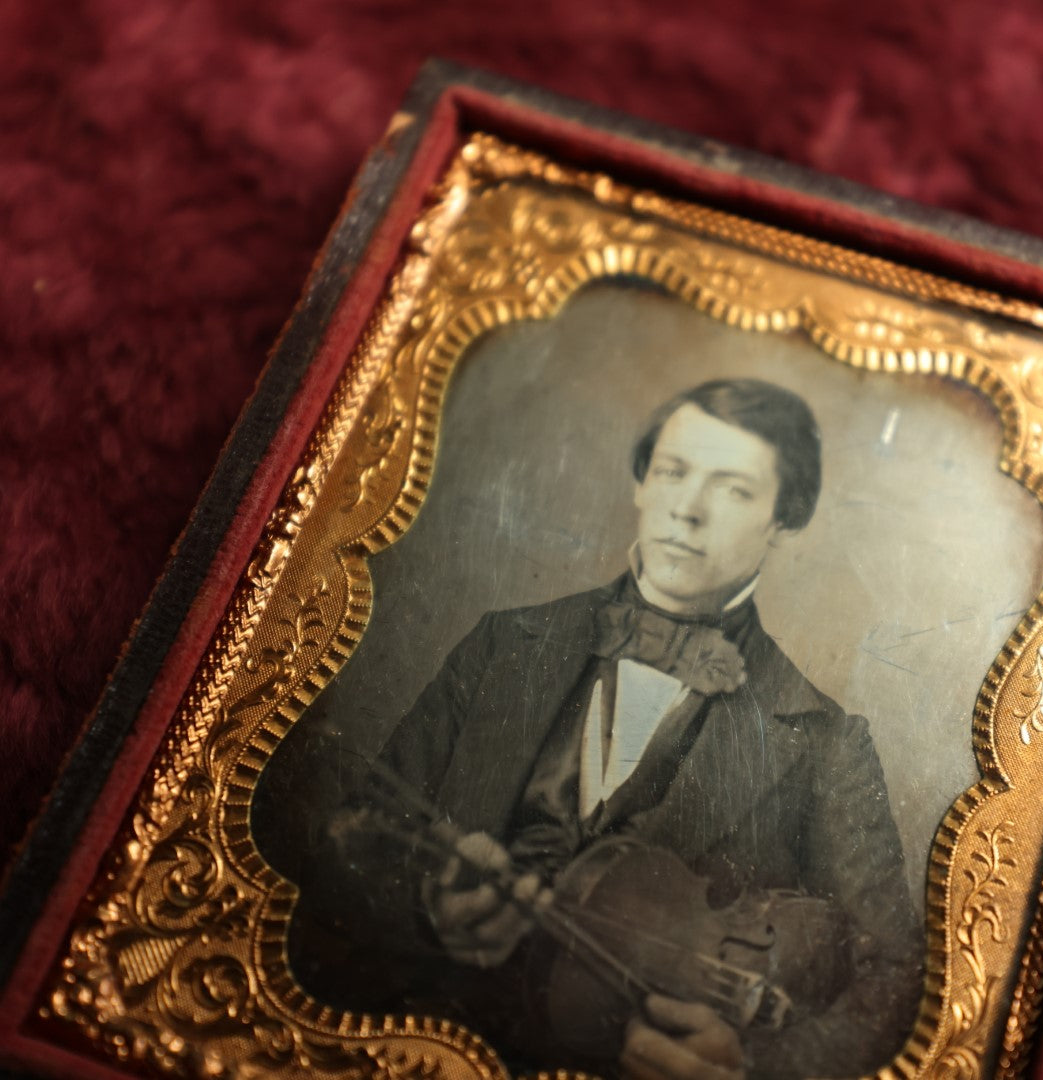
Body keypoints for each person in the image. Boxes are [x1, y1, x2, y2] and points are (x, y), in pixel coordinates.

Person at [313, 379, 921, 1079]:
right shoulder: (501, 645)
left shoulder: (824, 740)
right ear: (640, 483)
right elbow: (348, 842)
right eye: (672, 471)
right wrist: (425, 907)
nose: (685, 510)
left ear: (783, 521)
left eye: (731, 490)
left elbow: (891, 978)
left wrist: (750, 1066)